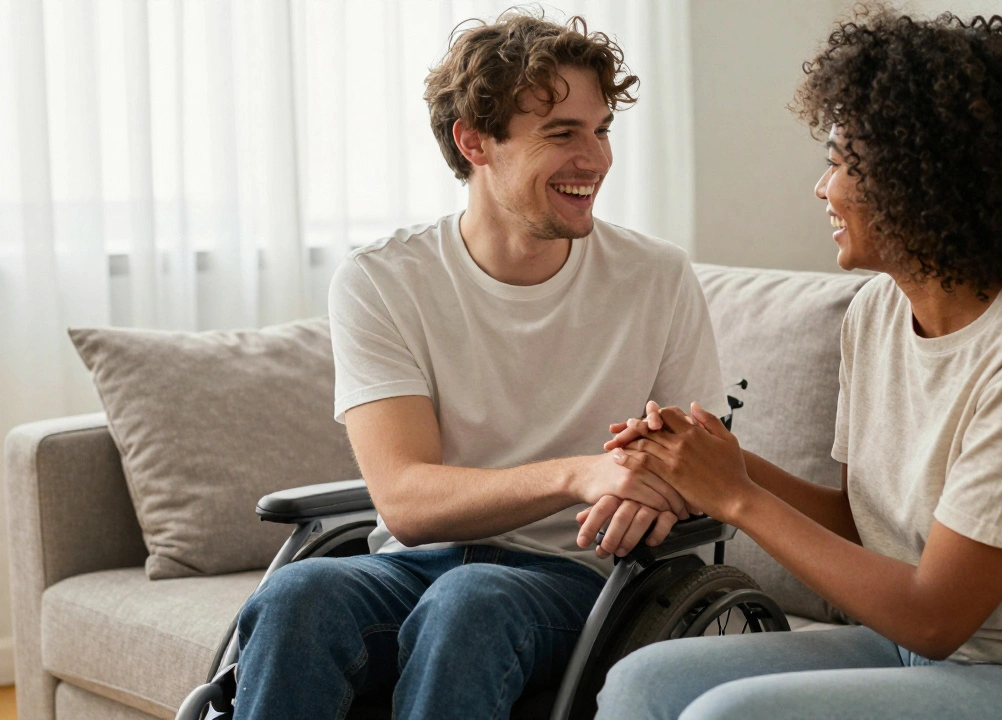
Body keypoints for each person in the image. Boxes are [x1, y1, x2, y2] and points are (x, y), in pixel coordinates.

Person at [589, 7, 1002, 720]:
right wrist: (714, 462)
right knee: (642, 682)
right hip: (913, 653)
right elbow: (867, 525)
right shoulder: (878, 312)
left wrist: (737, 498)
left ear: (919, 177)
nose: (821, 190)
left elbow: (935, 616)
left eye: (836, 163)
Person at [231, 10, 728, 719]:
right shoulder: (383, 280)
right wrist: (578, 473)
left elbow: (701, 467)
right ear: (475, 142)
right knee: (295, 595)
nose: (596, 158)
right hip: (413, 567)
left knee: (470, 601)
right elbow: (404, 498)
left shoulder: (656, 277)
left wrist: (660, 483)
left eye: (601, 129)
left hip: (580, 580)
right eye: (562, 133)